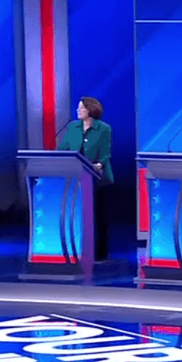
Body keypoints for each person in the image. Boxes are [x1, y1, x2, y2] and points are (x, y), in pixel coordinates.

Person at [57, 96, 113, 262]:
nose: (78, 110)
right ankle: (78, 250)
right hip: (76, 179)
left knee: (98, 216)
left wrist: (98, 165)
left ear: (91, 110)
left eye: (81, 108)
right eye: (78, 107)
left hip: (98, 179)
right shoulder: (72, 127)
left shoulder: (103, 129)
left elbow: (105, 155)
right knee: (77, 215)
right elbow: (64, 148)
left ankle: (100, 253)